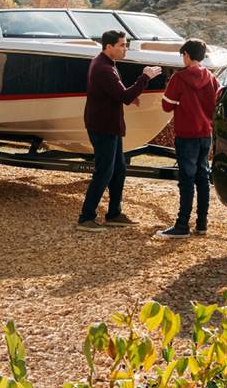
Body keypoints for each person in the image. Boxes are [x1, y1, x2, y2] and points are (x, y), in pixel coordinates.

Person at [77, 30, 162, 230]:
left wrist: (131, 96)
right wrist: (144, 77)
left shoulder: (106, 64)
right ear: (109, 47)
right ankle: (86, 217)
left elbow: (117, 93)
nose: (125, 49)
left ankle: (114, 213)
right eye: (122, 45)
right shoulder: (103, 68)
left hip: (109, 125)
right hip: (103, 127)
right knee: (104, 171)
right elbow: (123, 95)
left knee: (119, 169)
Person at [156, 38, 219, 238]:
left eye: (182, 54)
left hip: (186, 135)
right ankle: (202, 223)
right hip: (205, 134)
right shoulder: (211, 77)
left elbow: (166, 106)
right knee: (202, 177)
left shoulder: (179, 78)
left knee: (186, 180)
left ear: (187, 55)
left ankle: (182, 225)